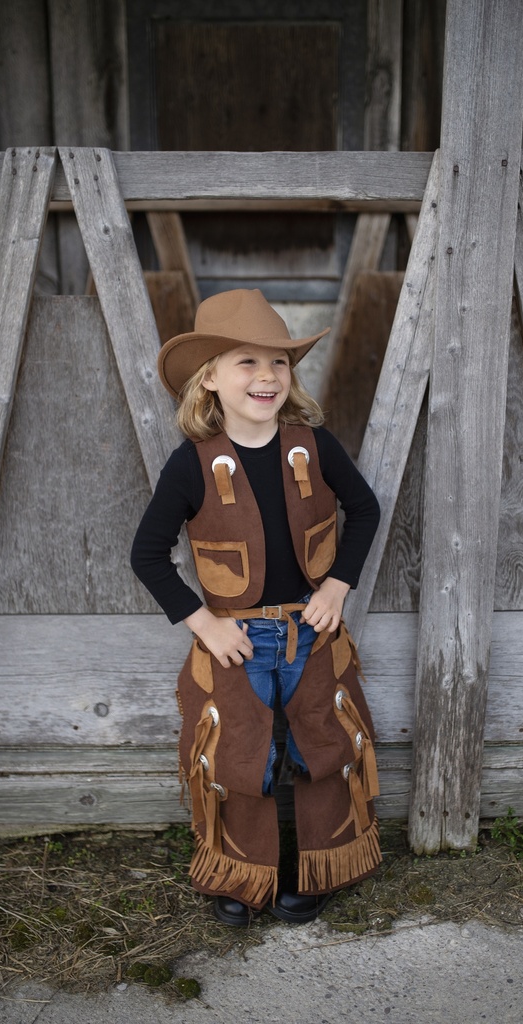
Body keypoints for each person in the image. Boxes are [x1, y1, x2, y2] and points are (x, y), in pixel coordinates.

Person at [131, 288, 382, 927]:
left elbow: (366, 511)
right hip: (235, 641)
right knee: (235, 754)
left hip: (313, 632)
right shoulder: (190, 467)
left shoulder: (315, 447)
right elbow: (148, 555)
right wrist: (204, 624)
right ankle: (240, 878)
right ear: (209, 378)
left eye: (279, 362)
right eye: (246, 362)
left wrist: (335, 588)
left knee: (327, 745)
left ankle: (325, 867)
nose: (267, 376)